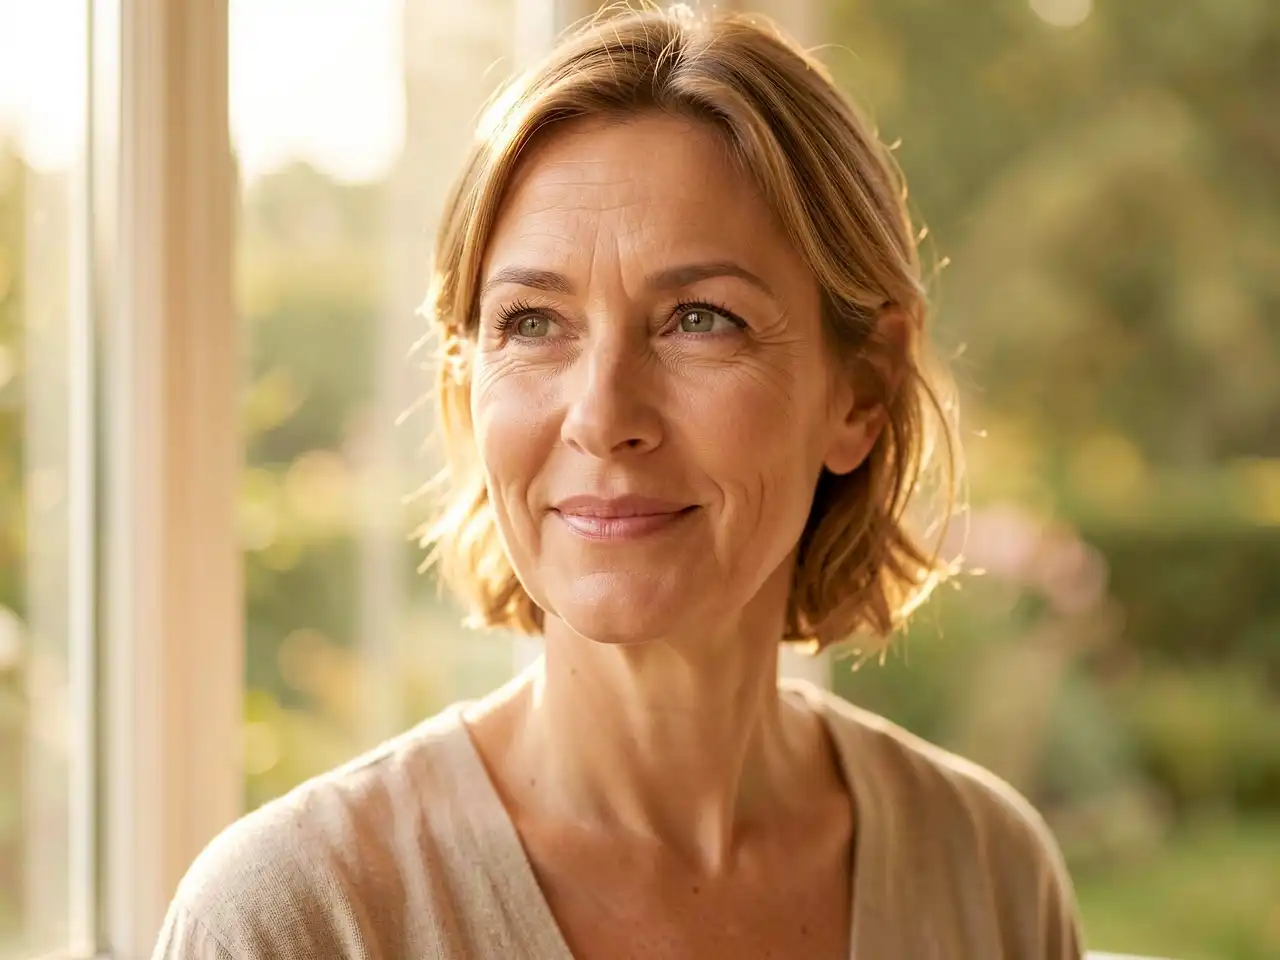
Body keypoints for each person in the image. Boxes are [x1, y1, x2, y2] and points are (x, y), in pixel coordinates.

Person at [155, 6, 1084, 959]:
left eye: (699, 319)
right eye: (532, 323)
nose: (601, 416)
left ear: (863, 390)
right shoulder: (295, 919)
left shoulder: (990, 877)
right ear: (465, 383)